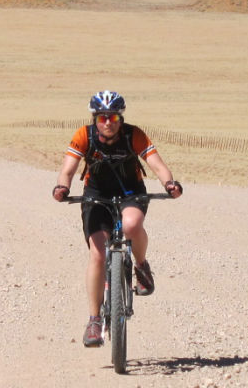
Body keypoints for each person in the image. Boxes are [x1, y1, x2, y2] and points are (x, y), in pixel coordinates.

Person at [52, 90, 182, 347]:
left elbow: (156, 164)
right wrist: (62, 188)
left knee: (132, 225)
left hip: (130, 191)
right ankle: (94, 319)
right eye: (102, 117)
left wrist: (169, 183)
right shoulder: (84, 136)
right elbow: (68, 169)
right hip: (96, 195)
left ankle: (141, 266)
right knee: (98, 254)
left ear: (121, 118)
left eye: (112, 117)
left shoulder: (134, 135)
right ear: (94, 119)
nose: (108, 122)